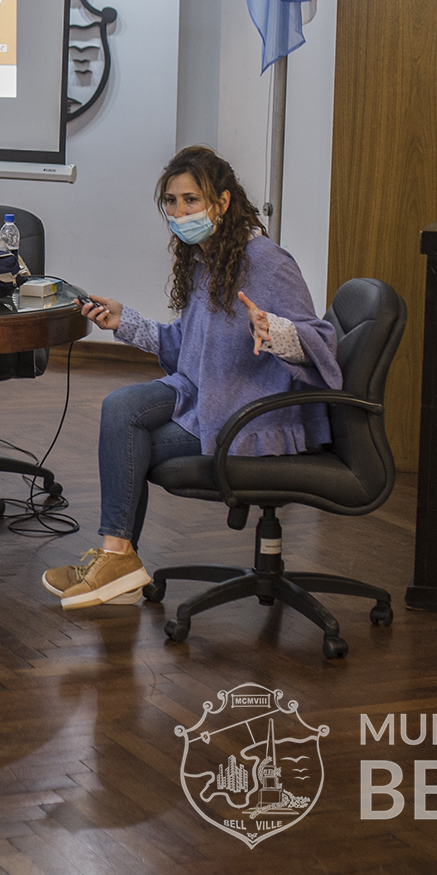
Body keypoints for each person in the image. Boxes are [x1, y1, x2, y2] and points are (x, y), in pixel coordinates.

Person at [44, 145, 340, 609]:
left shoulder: (267, 261)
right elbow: (187, 345)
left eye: (191, 200)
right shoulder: (207, 259)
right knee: (120, 407)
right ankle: (117, 561)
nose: (180, 213)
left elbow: (321, 343)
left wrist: (275, 330)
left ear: (222, 202)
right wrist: (124, 321)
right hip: (205, 395)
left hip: (248, 412)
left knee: (130, 439)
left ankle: (117, 565)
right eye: (171, 201)